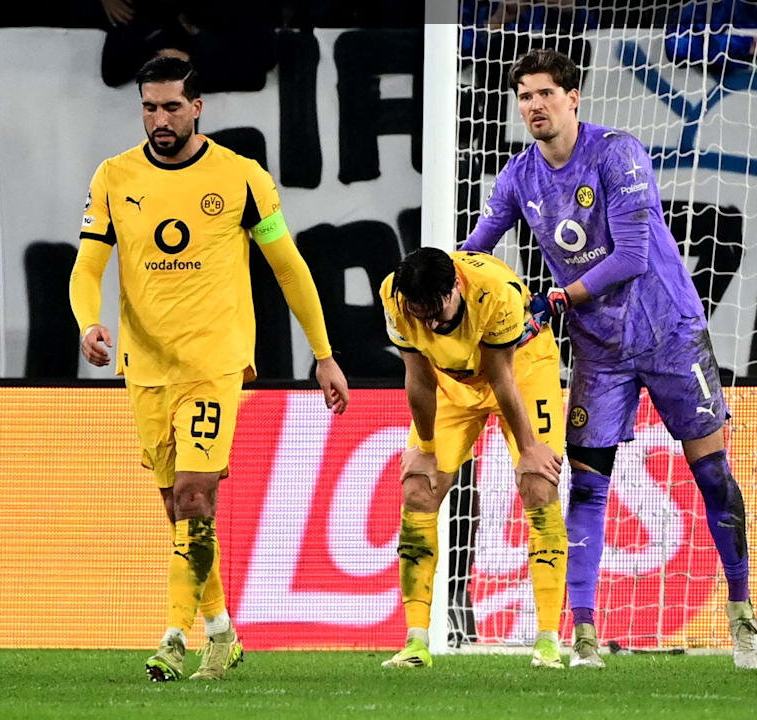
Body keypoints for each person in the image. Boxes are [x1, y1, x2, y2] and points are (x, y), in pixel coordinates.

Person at [461, 48, 757, 670]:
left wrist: (556, 299)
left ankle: (742, 615)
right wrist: (441, 283)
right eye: (524, 96)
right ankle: (585, 636)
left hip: (670, 332)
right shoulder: (518, 176)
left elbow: (630, 256)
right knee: (588, 489)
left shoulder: (617, 153)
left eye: (545, 93)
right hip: (600, 352)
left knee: (712, 475)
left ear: (572, 98)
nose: (534, 106)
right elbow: (475, 252)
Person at [69, 56, 350, 682]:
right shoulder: (114, 176)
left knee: (196, 495)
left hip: (215, 363)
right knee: (179, 512)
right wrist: (87, 322)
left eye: (172, 106)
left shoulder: (241, 177)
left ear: (197, 107)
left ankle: (173, 640)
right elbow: (87, 265)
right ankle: (222, 631)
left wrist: (324, 354)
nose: (160, 119)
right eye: (149, 107)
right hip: (146, 367)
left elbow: (289, 267)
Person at [378, 248, 568, 669]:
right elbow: (418, 378)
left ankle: (548, 642)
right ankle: (415, 643)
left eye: (436, 311)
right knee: (418, 489)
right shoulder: (394, 295)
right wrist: (426, 450)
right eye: (420, 313)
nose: (430, 324)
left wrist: (529, 449)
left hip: (522, 370)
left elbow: (501, 377)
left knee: (538, 484)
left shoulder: (495, 293)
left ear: (455, 288)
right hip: (452, 383)